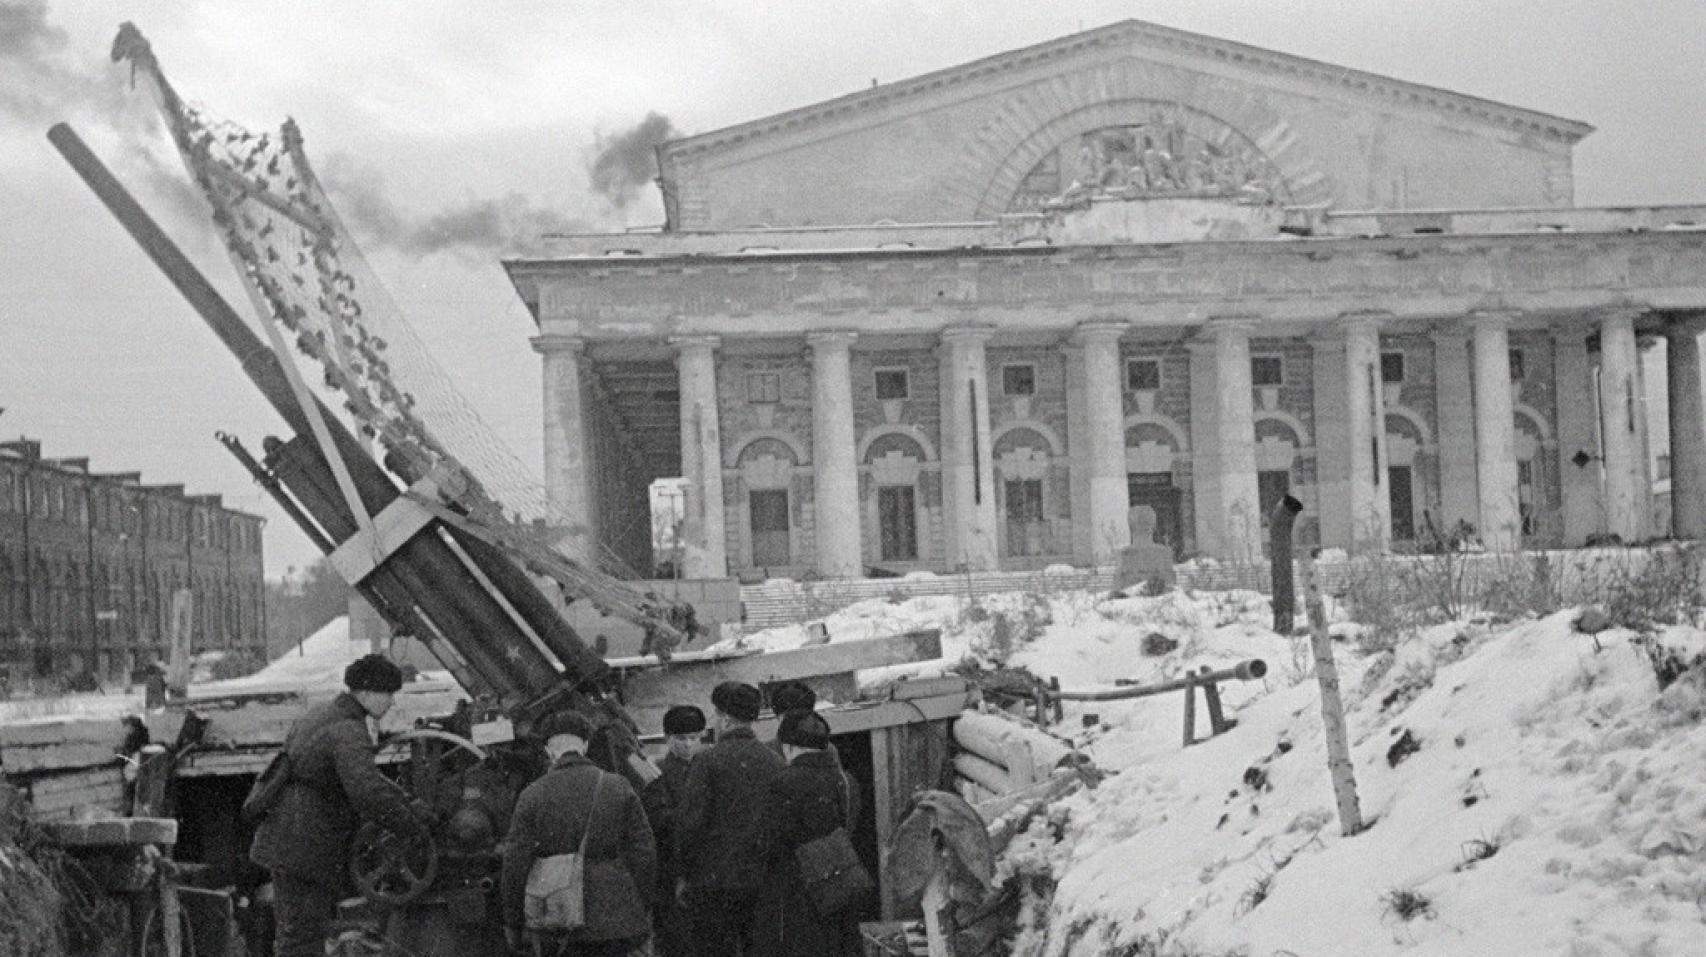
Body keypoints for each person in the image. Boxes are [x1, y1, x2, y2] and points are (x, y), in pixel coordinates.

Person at [249, 654, 424, 957]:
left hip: (290, 835)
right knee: (301, 936)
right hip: (304, 842)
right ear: (367, 694)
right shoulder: (348, 729)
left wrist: (405, 804)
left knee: (296, 932)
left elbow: (369, 780)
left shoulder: (323, 714)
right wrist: (410, 826)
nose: (391, 702)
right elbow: (366, 791)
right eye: (388, 694)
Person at [502, 709, 657, 957]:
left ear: (549, 750)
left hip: (557, 918)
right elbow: (644, 853)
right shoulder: (617, 786)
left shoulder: (532, 794)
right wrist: (640, 905)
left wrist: (513, 923)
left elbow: (515, 864)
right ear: (584, 745)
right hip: (615, 917)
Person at [676, 682, 784, 957]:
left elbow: (691, 824)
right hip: (763, 882)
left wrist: (684, 874)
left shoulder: (706, 762)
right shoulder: (774, 762)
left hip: (714, 883)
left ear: (724, 718)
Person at [749, 711, 862, 957]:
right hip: (838, 883)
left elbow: (769, 840)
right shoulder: (844, 779)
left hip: (797, 893)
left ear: (787, 747)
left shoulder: (783, 783)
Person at [641, 705, 707, 957]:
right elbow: (659, 820)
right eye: (681, 739)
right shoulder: (656, 774)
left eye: (694, 738)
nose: (689, 745)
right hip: (672, 871)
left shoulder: (710, 766)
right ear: (668, 738)